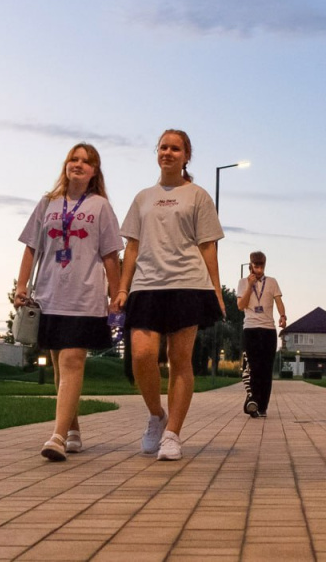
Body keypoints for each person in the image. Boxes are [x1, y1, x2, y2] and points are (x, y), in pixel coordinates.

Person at [114, 129, 225, 461]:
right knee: (142, 356)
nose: (168, 152)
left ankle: (173, 434)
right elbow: (131, 246)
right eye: (163, 147)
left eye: (175, 148)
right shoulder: (143, 197)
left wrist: (216, 291)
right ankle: (156, 416)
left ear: (186, 156)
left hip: (187, 284)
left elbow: (208, 246)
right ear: (156, 153)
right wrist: (122, 287)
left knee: (180, 360)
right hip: (146, 285)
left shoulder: (198, 195)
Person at [14, 143, 123, 461]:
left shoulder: (101, 206)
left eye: (85, 162)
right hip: (48, 296)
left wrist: (116, 295)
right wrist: (22, 285)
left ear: (94, 171)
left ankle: (58, 436)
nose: (78, 164)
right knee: (61, 368)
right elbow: (31, 248)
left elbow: (110, 256)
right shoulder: (47, 203)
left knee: (73, 360)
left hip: (84, 298)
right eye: (73, 159)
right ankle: (73, 428)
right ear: (65, 165)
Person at [236, 251, 286, 418]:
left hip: (268, 330)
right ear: (250, 265)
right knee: (252, 367)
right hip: (250, 329)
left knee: (266, 369)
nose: (258, 269)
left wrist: (283, 316)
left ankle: (262, 406)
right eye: (255, 266)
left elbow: (279, 301)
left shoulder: (272, 282)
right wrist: (250, 286)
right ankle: (253, 401)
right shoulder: (242, 282)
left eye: (261, 266)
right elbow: (241, 306)